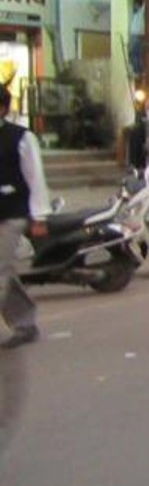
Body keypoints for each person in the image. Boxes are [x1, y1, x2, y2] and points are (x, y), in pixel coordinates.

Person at [0, 85, 51, 349]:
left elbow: (36, 177)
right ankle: (25, 321)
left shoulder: (21, 138)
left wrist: (39, 216)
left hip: (13, 213)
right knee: (5, 271)